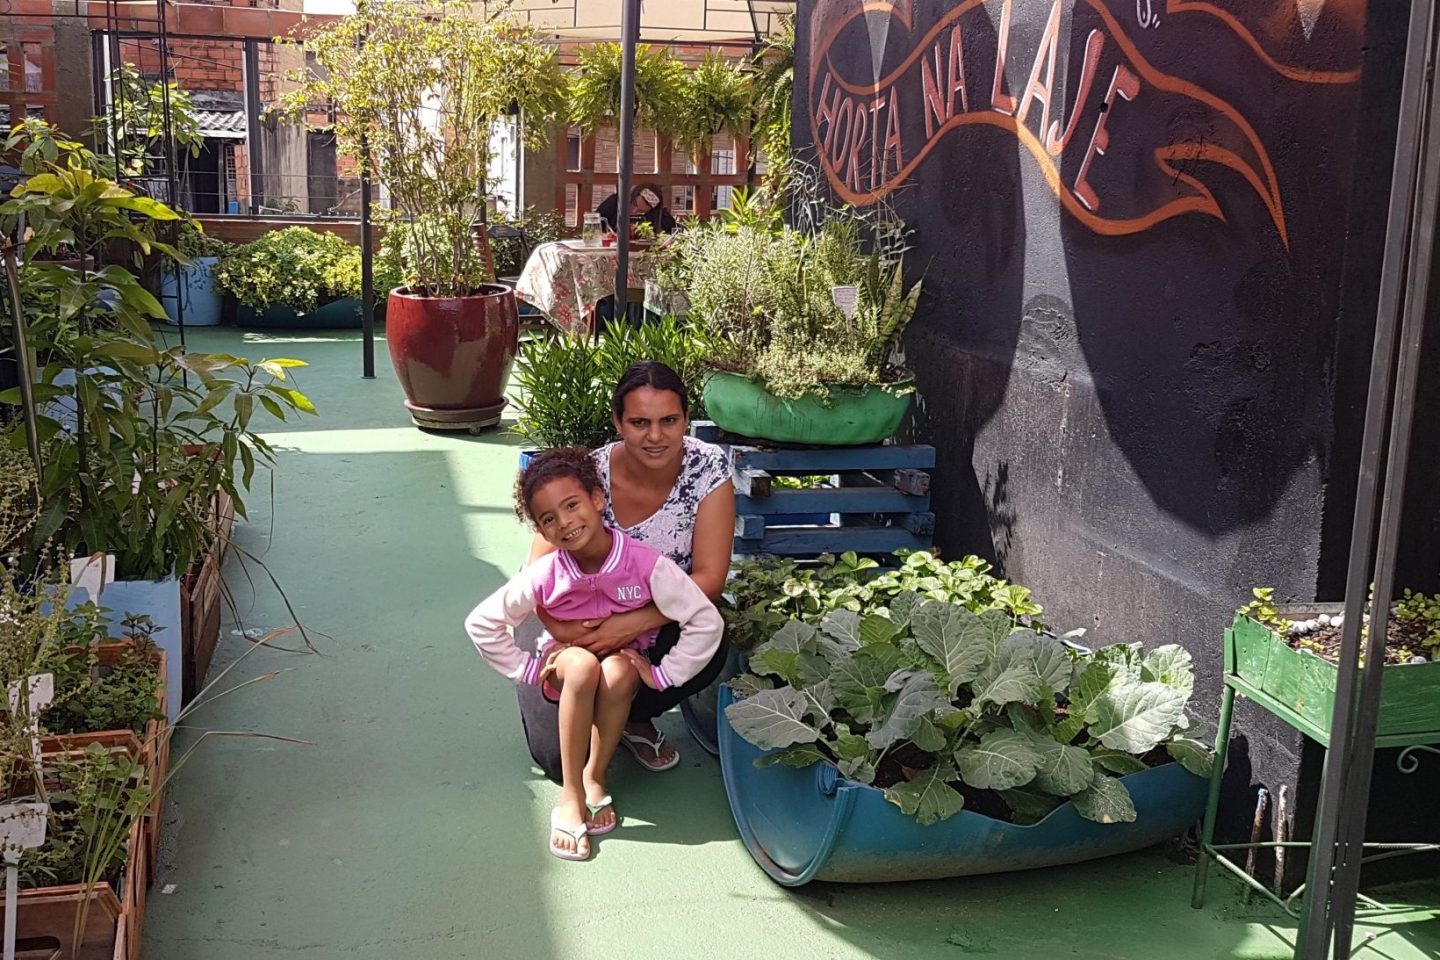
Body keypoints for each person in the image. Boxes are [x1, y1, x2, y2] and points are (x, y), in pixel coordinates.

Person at [467, 448, 723, 861]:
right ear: (541, 531)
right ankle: (570, 795)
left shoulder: (645, 564)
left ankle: (595, 776)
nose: (565, 522)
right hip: (567, 660)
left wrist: (662, 675)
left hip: (625, 657)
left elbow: (705, 620)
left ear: (598, 499)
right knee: (583, 666)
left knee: (621, 673)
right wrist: (528, 670)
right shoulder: (546, 572)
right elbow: (482, 623)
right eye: (549, 519)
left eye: (572, 505)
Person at [516, 361, 735, 779]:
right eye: (639, 422)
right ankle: (598, 717)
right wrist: (569, 637)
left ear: (686, 419)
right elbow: (538, 571)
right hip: (565, 616)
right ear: (618, 422)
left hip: (651, 621)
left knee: (712, 636)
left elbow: (708, 578)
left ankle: (630, 717)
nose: (655, 436)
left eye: (669, 421)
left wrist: (630, 624)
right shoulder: (586, 475)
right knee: (560, 764)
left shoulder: (707, 470)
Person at [596, 182, 677, 236]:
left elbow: (674, 232)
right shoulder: (614, 202)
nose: (634, 210)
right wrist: (604, 235)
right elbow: (594, 225)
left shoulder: (660, 216)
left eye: (641, 211)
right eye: (634, 204)